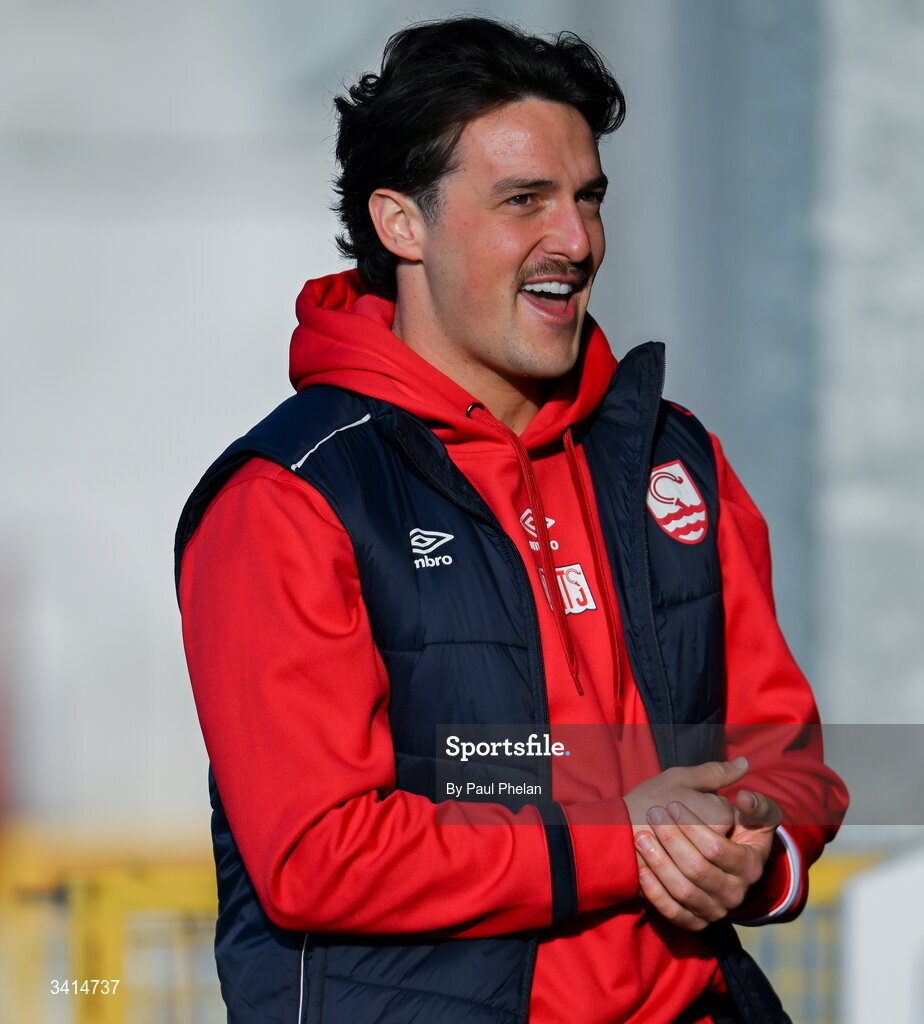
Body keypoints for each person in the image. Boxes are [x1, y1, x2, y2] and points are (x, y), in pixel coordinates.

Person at [175, 17, 848, 1024]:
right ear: (402, 225)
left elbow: (782, 751)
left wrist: (756, 845)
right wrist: (621, 841)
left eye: (588, 199)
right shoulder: (292, 493)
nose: (574, 241)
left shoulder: (675, 457)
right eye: (524, 200)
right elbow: (320, 855)